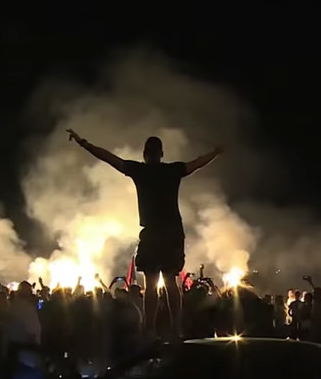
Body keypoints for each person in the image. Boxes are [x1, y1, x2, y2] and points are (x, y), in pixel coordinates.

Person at [67, 129, 223, 339]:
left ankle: (149, 328)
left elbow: (109, 158)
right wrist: (215, 152)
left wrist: (83, 143)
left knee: (151, 284)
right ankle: (175, 328)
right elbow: (197, 163)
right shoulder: (173, 170)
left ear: (144, 153)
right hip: (173, 232)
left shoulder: (139, 171)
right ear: (161, 153)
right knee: (171, 282)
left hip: (152, 232)